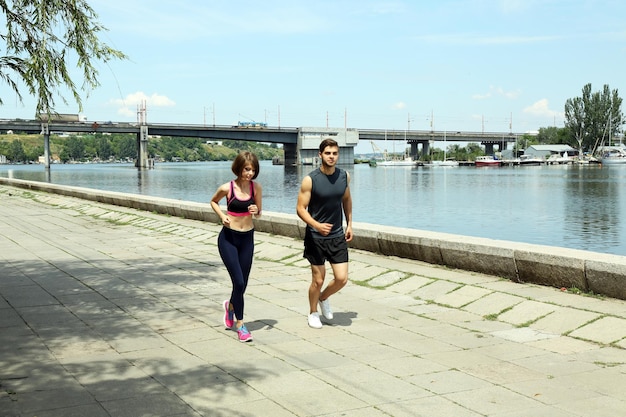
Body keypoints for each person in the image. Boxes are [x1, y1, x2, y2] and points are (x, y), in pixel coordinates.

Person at [296, 138, 353, 329]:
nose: (331, 157)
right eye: (328, 153)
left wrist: (350, 224)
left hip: (337, 235)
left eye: (335, 153)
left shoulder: (344, 176)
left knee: (341, 278)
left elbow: (346, 200)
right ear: (320, 155)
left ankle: (323, 298)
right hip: (316, 236)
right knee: (318, 279)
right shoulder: (310, 180)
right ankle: (313, 312)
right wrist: (316, 225)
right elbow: (300, 209)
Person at [210, 151, 262, 342]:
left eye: (253, 170)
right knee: (238, 283)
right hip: (229, 239)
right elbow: (213, 201)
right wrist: (222, 216)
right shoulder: (227, 188)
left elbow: (259, 213)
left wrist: (256, 210)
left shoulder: (256, 188)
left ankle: (230, 307)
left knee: (243, 284)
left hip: (248, 238)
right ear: (239, 168)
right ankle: (241, 325)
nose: (250, 173)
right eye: (247, 169)